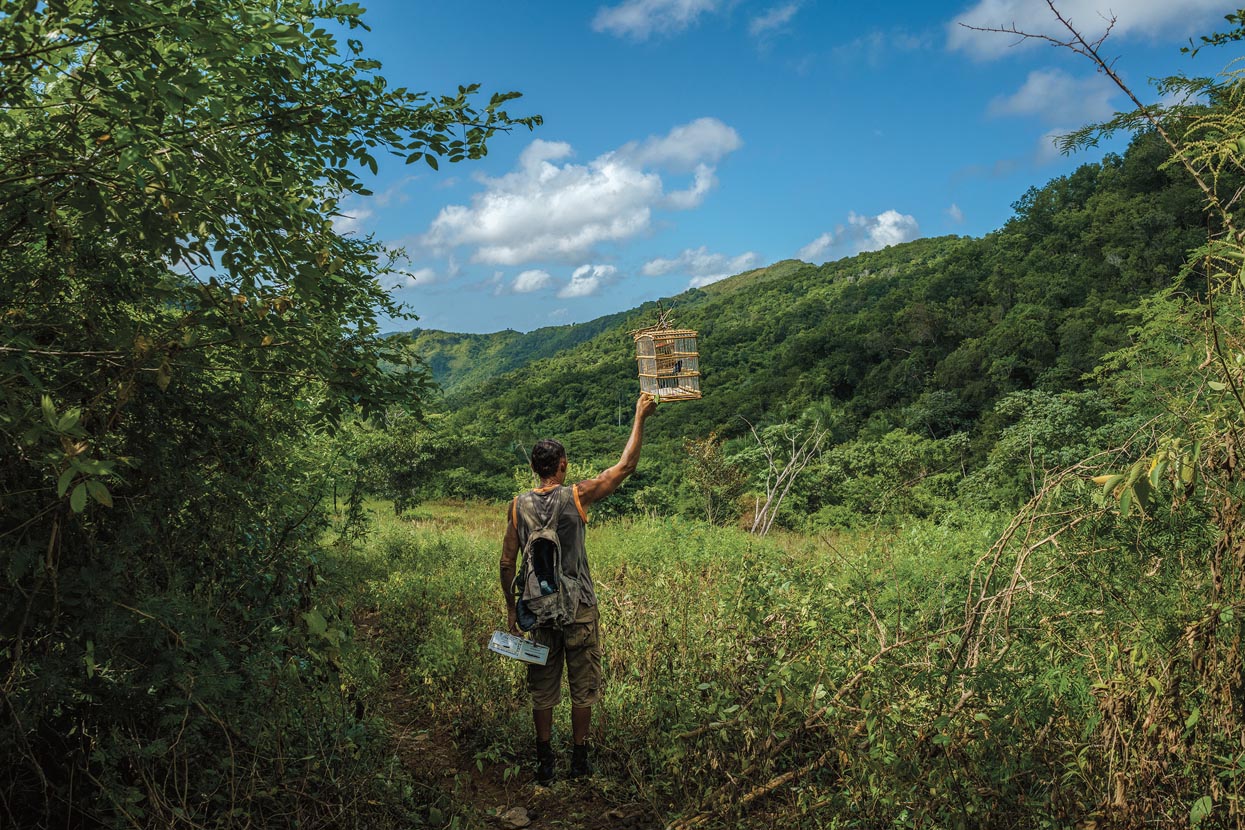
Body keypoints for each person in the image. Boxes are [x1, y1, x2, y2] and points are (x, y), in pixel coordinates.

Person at [500, 392, 659, 784]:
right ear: (563, 465)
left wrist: (510, 609)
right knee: (582, 687)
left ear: (535, 468)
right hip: (579, 610)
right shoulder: (577, 495)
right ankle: (580, 762)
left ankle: (544, 764)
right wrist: (639, 415)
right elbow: (625, 466)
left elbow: (507, 562)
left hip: (537, 611)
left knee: (543, 689)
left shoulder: (517, 505)